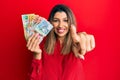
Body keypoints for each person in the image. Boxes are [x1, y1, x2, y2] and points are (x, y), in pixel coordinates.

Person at [27, 4, 95, 80]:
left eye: (65, 20)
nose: (60, 25)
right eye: (56, 20)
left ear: (71, 23)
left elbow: (82, 39)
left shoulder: (76, 44)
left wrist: (83, 39)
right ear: (50, 23)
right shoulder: (42, 44)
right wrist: (37, 54)